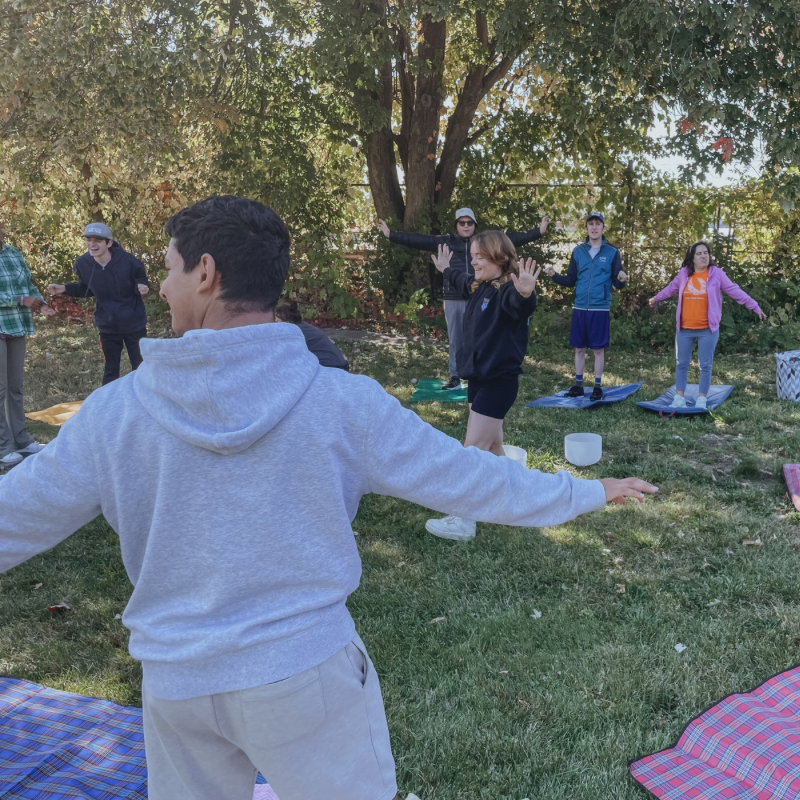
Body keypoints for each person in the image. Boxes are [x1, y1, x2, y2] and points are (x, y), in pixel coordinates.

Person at [0, 196, 656, 800]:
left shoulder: (113, 413)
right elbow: (467, 476)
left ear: (205, 273)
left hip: (177, 687)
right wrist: (585, 491)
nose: (164, 286)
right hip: (305, 680)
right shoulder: (341, 402)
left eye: (169, 269)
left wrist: (582, 492)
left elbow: (15, 517)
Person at [424, 231, 542, 541]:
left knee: (473, 450)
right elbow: (461, 280)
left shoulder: (506, 291)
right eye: (473, 255)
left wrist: (527, 294)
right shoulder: (479, 287)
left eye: (479, 255)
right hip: (479, 379)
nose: (473, 260)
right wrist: (445, 269)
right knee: (492, 448)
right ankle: (519, 497)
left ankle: (464, 520)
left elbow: (520, 306)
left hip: (497, 383)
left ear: (499, 258)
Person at [379, 208, 550, 390]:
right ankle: (456, 375)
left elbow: (514, 241)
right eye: (462, 222)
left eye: (470, 222)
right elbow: (420, 240)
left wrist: (538, 232)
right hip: (458, 295)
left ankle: (479, 371)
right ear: (456, 225)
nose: (466, 226)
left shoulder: (487, 244)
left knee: (483, 335)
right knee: (457, 338)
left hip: (483, 295)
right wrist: (391, 235)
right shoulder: (447, 243)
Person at [649, 241, 766, 409]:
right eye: (699, 253)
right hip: (684, 329)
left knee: (705, 366)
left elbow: (734, 290)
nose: (704, 256)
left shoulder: (716, 274)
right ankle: (679, 397)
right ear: (692, 257)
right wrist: (656, 298)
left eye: (706, 253)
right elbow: (670, 289)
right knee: (681, 364)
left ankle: (702, 398)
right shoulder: (684, 274)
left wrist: (754, 305)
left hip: (707, 329)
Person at [47, 222, 150, 385]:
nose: (92, 244)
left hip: (133, 323)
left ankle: (146, 404)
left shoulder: (129, 262)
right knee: (111, 370)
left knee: (141, 367)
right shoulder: (83, 264)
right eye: (89, 240)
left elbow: (141, 280)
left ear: (109, 243)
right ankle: (108, 407)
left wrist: (142, 287)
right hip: (107, 324)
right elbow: (86, 288)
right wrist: (63, 289)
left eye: (98, 240)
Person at [544, 212, 627, 401]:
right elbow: (571, 280)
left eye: (598, 224)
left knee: (598, 350)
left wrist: (622, 280)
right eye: (591, 224)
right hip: (580, 307)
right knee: (579, 348)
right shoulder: (578, 252)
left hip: (600, 308)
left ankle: (597, 386)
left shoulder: (612, 252)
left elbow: (618, 281)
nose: (595, 227)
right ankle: (578, 385)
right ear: (587, 228)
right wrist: (554, 276)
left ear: (603, 228)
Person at [0, 222, 56, 468]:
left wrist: (40, 304)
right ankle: (4, 445)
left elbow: (29, 285)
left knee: (15, 388)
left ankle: (21, 439)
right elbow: (21, 295)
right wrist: (21, 300)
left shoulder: (13, 253)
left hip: (17, 326)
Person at [275, 300, 349, 370]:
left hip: (332, 367)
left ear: (283, 320)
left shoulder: (294, 332)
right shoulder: (303, 326)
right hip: (340, 364)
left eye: (276, 320)